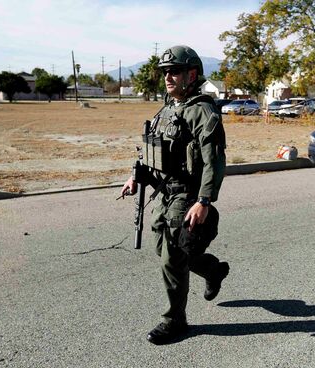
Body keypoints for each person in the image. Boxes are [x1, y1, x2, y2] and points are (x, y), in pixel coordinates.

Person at [120, 45, 229, 345]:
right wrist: (135, 175)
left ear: (192, 74)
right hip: (164, 193)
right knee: (166, 252)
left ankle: (174, 320)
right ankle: (212, 270)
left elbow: (214, 160)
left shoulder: (202, 112)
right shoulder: (167, 108)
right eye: (165, 72)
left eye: (175, 71)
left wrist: (204, 201)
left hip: (187, 196)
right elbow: (149, 147)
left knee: (172, 258)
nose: (168, 77)